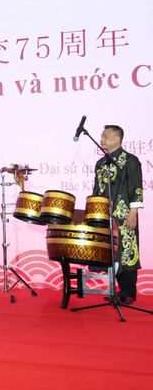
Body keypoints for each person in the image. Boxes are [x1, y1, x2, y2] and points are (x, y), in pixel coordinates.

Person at [93, 125, 143, 304]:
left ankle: (128, 292)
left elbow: (136, 187)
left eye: (106, 136)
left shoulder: (130, 161)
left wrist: (133, 212)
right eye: (102, 136)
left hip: (123, 214)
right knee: (110, 251)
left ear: (116, 139)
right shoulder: (101, 163)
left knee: (127, 251)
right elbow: (97, 189)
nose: (102, 139)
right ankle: (114, 290)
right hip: (104, 215)